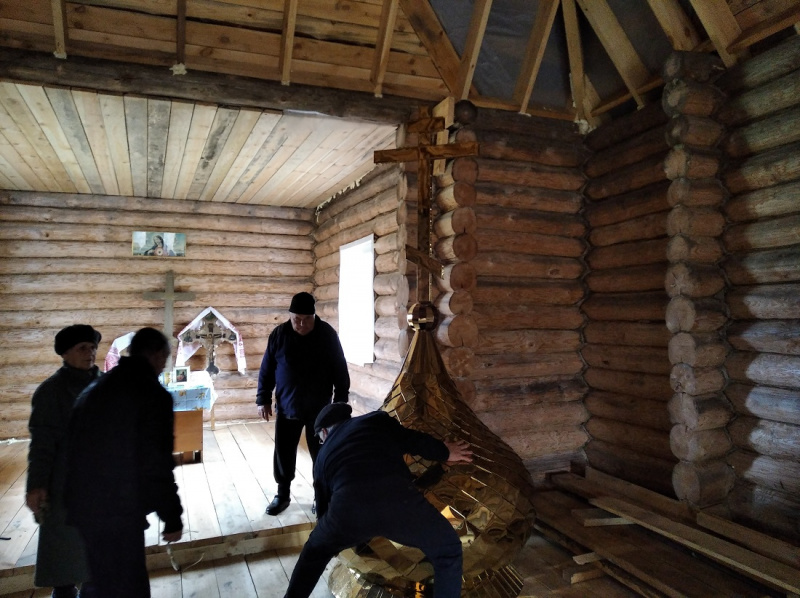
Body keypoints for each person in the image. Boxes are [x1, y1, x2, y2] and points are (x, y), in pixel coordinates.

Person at [284, 403, 473, 598]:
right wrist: (445, 452)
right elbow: (414, 440)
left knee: (313, 553)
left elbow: (323, 503)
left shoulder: (323, 456)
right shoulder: (375, 420)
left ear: (324, 432)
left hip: (348, 511)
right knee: (448, 549)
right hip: (399, 502)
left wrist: (328, 539)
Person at [64, 327, 183, 598]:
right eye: (165, 358)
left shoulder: (97, 387)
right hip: (118, 509)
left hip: (84, 504)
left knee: (101, 579)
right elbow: (157, 463)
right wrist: (172, 516)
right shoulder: (152, 395)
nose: (164, 365)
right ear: (156, 355)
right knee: (129, 585)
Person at [256, 291, 350, 516]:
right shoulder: (279, 335)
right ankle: (283, 494)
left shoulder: (327, 335)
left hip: (320, 410)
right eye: (296, 319)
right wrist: (263, 398)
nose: (301, 324)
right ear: (290, 316)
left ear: (314, 316)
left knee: (321, 454)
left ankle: (321, 496)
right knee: (283, 452)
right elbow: (267, 369)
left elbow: (340, 368)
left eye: (306, 319)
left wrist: (340, 403)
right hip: (288, 406)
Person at [26, 325, 103, 598]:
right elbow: (42, 444)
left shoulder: (106, 386)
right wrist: (36, 485)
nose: (90, 353)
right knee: (63, 557)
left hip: (101, 485)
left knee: (99, 559)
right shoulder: (51, 392)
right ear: (65, 353)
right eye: (82, 348)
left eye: (92, 347)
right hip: (64, 486)